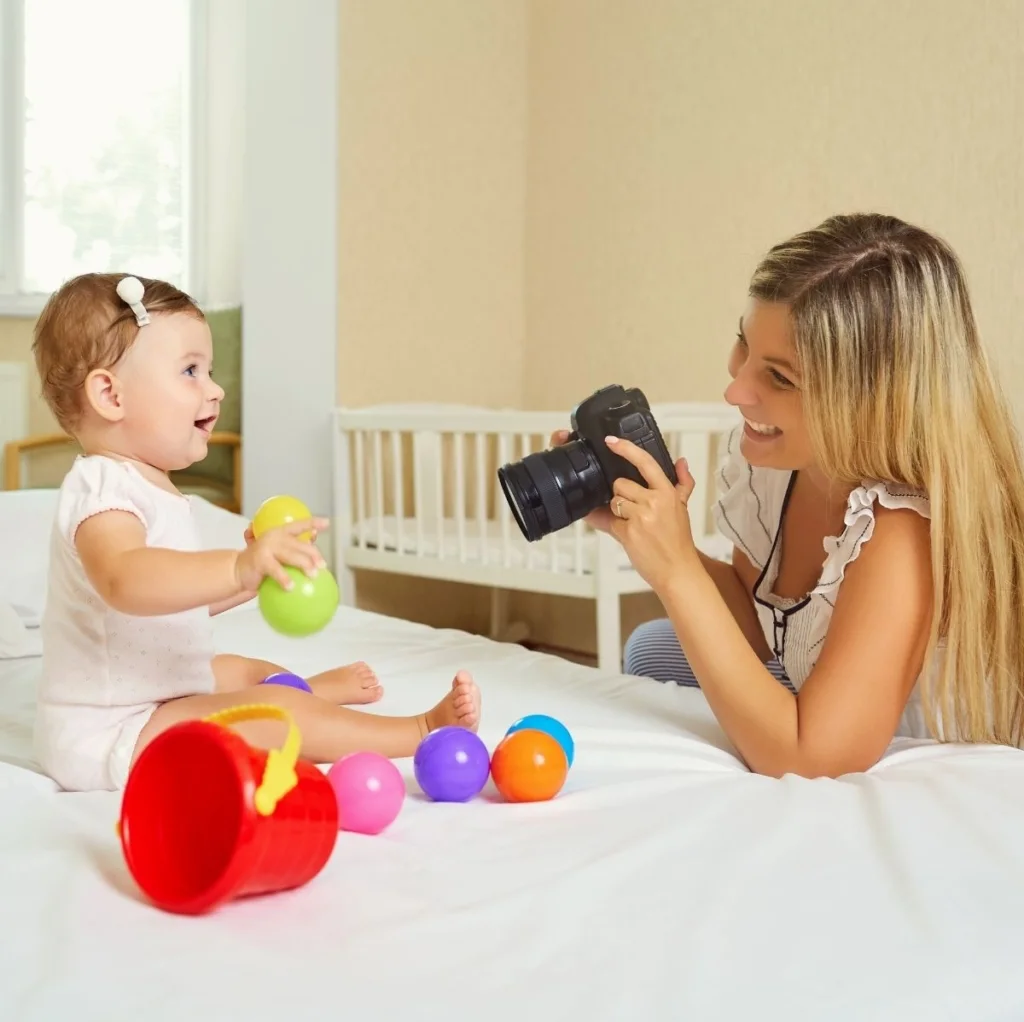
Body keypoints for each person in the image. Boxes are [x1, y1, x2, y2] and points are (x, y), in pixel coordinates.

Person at [568, 213, 1024, 777]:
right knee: (650, 646)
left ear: (874, 397)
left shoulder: (902, 530)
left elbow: (813, 760)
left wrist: (678, 572)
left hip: (871, 747)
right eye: (743, 344)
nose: (735, 389)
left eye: (779, 377)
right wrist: (659, 541)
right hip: (810, 695)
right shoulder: (778, 466)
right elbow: (753, 611)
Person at [32, 272, 480, 792]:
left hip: (157, 692)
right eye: (191, 371)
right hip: (108, 731)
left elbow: (172, 600)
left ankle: (307, 693)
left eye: (210, 371)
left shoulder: (157, 490)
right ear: (111, 395)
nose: (215, 389)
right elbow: (125, 581)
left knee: (240, 670)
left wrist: (248, 581)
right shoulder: (100, 484)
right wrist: (235, 566)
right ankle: (419, 729)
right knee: (269, 710)